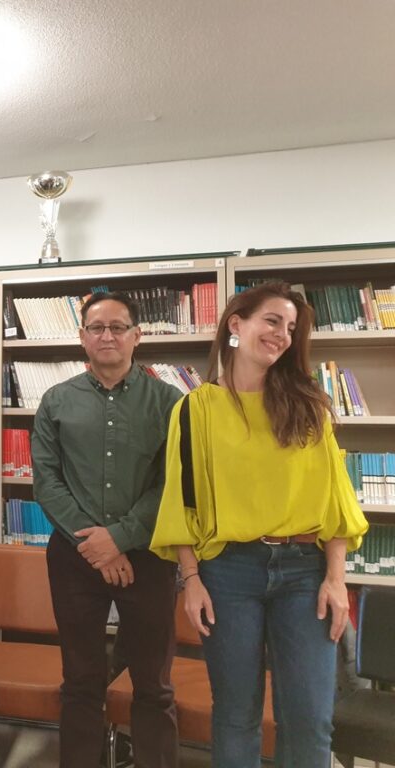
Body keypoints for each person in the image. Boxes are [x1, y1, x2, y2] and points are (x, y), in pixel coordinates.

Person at [150, 281, 368, 768]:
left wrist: (336, 579)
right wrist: (191, 581)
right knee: (235, 714)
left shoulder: (309, 406)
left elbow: (336, 502)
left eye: (290, 328)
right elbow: (180, 503)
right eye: (272, 320)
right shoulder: (194, 410)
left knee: (309, 717)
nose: (282, 335)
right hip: (228, 572)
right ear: (236, 324)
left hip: (305, 571)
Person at [32, 291, 182, 768]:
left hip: (150, 559)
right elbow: (46, 482)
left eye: (118, 327)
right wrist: (96, 543)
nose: (107, 336)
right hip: (75, 559)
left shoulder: (171, 402)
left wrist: (119, 537)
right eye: (97, 327)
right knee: (80, 679)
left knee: (153, 683)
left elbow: (173, 484)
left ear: (137, 336)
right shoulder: (56, 400)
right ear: (82, 337)